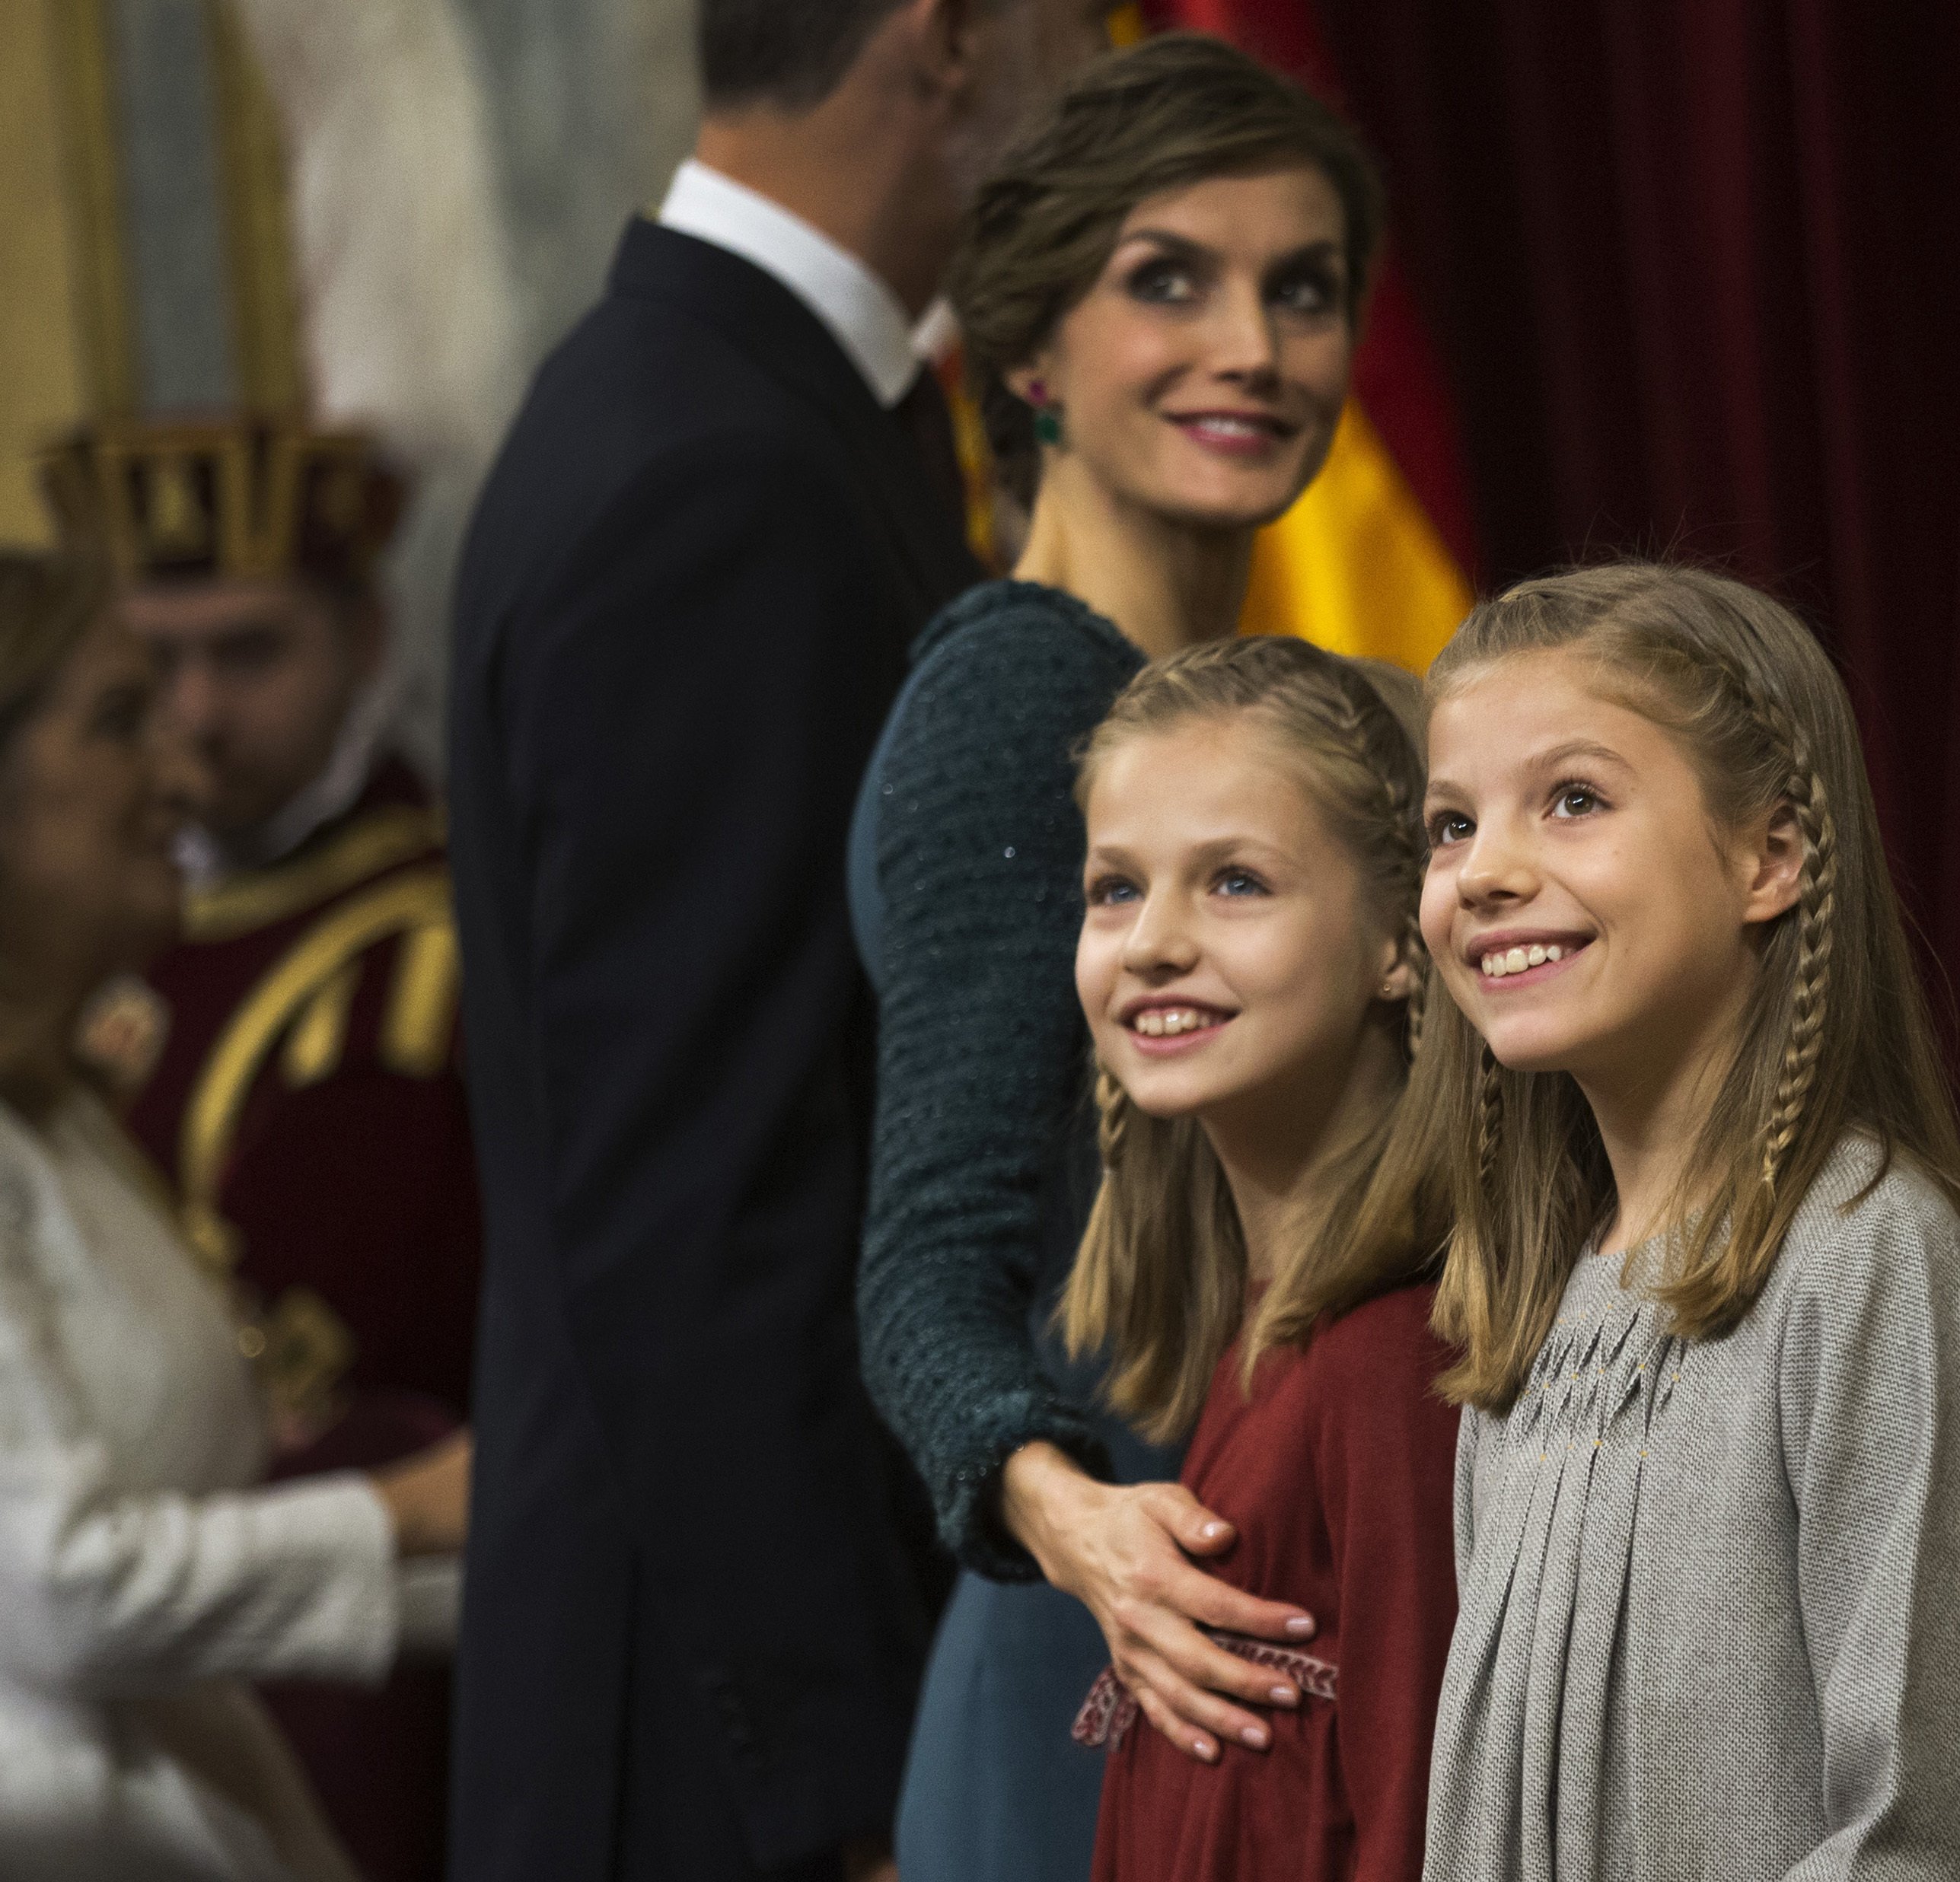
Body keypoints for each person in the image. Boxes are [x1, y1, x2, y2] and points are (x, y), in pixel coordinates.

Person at [444, 1, 1111, 1874]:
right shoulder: (708, 471)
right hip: (734, 1761)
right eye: (1079, 19)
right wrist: (859, 1798)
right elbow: (704, 1213)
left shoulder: (745, 409)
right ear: (953, 38)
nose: (1101, 59)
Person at [847, 36, 1381, 1880]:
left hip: (1255, 1612)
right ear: (1024, 350)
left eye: (1299, 290)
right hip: (1109, 1663)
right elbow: (934, 1249)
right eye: (1172, 280)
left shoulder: (1239, 716)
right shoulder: (1028, 694)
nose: (1253, 343)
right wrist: (1075, 1525)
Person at [1411, 562, 1960, 1880]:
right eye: (1448, 825)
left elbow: (1927, 1837)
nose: (1484, 871)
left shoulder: (1865, 1257)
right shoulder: (1530, 1313)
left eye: (1572, 800)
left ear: (1769, 855)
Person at [47, 412, 476, 1882]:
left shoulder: (440, 936)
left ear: (362, 639)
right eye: (142, 682)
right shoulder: (75, 974)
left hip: (351, 1682)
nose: (195, 726)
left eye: (248, 652)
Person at [1063, 637, 1457, 1882]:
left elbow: (1422, 1826)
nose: (1152, 942)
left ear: (1399, 940)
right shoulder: (1267, 1335)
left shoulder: (1395, 1358)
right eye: (1114, 888)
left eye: (1234, 882)